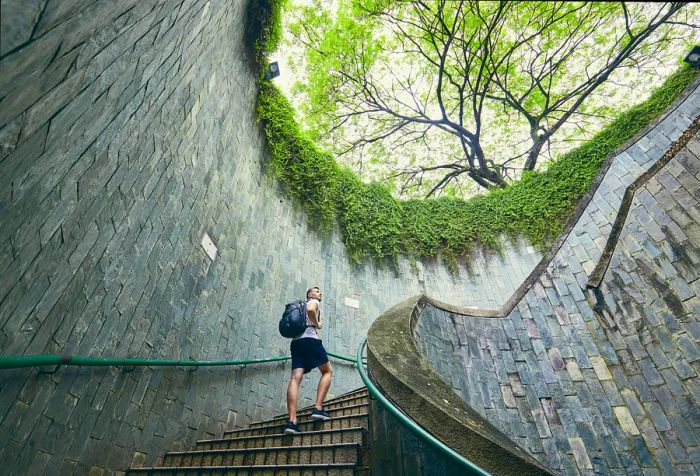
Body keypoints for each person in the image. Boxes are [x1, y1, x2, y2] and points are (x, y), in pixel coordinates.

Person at [284, 286, 333, 434]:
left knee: (295, 378)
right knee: (327, 372)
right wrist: (317, 325)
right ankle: (318, 408)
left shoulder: (299, 307)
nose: (320, 293)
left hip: (296, 343)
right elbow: (311, 310)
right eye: (318, 291)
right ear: (310, 294)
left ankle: (292, 422)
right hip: (310, 340)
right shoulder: (313, 302)